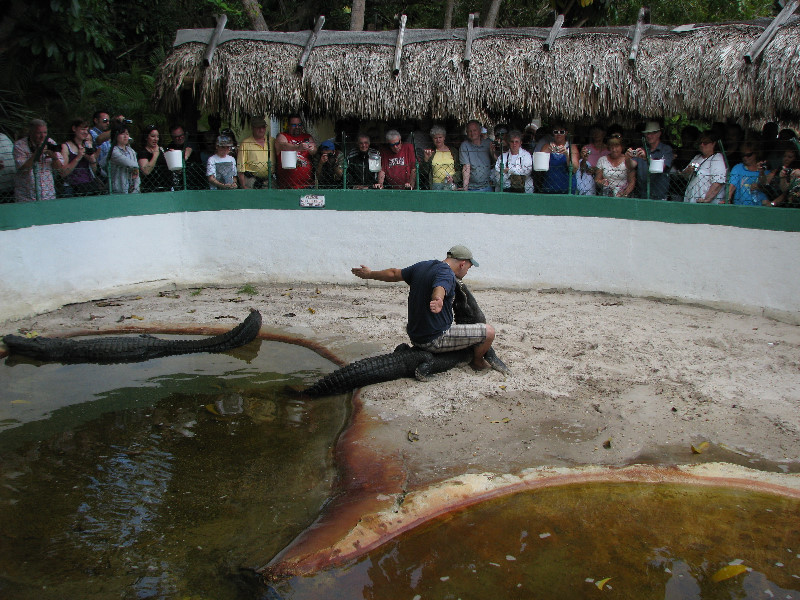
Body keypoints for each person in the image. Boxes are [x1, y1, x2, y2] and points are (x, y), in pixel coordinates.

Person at [351, 244, 495, 371]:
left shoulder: (424, 265)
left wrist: (370, 274)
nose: (467, 272)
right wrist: (438, 299)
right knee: (489, 332)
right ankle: (477, 362)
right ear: (462, 264)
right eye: (469, 268)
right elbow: (441, 286)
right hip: (434, 339)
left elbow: (393, 273)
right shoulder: (447, 273)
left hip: (415, 335)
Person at [13, 118, 63, 202]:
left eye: (45, 132)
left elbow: (59, 169)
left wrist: (54, 157)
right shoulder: (20, 145)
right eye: (39, 133)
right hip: (26, 196)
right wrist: (37, 153)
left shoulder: (50, 142)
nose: (42, 136)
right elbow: (23, 168)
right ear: (31, 132)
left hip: (48, 195)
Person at [628, 121, 674, 200]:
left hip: (659, 195)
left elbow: (661, 168)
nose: (649, 136)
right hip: (642, 195)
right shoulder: (642, 149)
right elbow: (631, 165)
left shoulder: (666, 150)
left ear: (659, 134)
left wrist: (647, 158)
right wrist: (627, 157)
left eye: (652, 133)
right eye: (647, 133)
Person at [60, 118, 103, 197]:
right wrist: (78, 157)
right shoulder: (66, 146)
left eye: (87, 130)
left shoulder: (87, 145)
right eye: (83, 129)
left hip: (89, 185)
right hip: (72, 187)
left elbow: (94, 171)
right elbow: (63, 172)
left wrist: (92, 160)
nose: (85, 132)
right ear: (74, 129)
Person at [275, 114, 317, 189]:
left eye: (299, 125)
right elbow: (283, 145)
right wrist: (298, 147)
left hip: (307, 185)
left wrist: (312, 149)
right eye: (294, 125)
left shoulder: (307, 137)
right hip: (288, 185)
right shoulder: (282, 136)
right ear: (288, 126)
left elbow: (314, 150)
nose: (297, 127)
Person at [683, 133, 726, 204]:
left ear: (713, 144)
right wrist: (688, 171)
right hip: (691, 200)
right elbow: (684, 176)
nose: (702, 145)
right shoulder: (697, 157)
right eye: (700, 143)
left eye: (705, 143)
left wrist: (706, 199)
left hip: (705, 203)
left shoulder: (717, 158)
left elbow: (718, 182)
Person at [541, 123, 579, 193]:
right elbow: (539, 167)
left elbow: (574, 169)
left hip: (567, 189)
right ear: (553, 133)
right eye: (556, 132)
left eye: (562, 132)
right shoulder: (546, 146)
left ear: (566, 133)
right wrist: (548, 151)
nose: (559, 134)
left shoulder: (572, 148)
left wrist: (566, 155)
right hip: (549, 187)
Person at [459, 120, 495, 192]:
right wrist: (465, 188)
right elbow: (466, 167)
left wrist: (492, 153)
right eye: (470, 131)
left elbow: (497, 162)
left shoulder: (488, 143)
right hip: (471, 187)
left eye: (474, 130)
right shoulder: (464, 146)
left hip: (487, 186)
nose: (472, 133)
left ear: (480, 131)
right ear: (467, 132)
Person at [237, 116, 272, 189]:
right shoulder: (245, 143)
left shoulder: (271, 141)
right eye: (258, 128)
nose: (261, 130)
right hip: (251, 180)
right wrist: (243, 185)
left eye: (263, 127)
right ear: (253, 128)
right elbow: (240, 168)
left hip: (268, 180)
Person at [106, 122, 139, 194]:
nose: (125, 136)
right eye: (122, 134)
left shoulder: (131, 151)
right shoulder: (113, 151)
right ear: (116, 135)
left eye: (127, 134)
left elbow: (136, 170)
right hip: (118, 189)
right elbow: (131, 164)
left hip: (132, 188)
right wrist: (138, 167)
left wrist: (136, 188)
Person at [167, 124, 204, 189]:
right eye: (176, 137)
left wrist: (174, 155)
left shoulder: (190, 142)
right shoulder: (170, 146)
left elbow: (186, 155)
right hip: (179, 181)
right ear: (172, 137)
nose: (180, 138)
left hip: (194, 178)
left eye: (181, 135)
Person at [423, 125, 458, 190]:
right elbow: (424, 172)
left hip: (451, 184)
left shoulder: (453, 152)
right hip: (436, 185)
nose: (438, 140)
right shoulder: (431, 152)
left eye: (440, 137)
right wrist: (426, 160)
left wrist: (453, 178)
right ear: (432, 139)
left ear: (444, 137)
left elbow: (460, 169)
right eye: (435, 138)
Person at [137, 125, 169, 193]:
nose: (156, 139)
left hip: (166, 188)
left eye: (157, 136)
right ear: (146, 137)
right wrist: (155, 155)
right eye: (153, 136)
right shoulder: (143, 152)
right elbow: (146, 171)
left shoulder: (162, 150)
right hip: (150, 189)